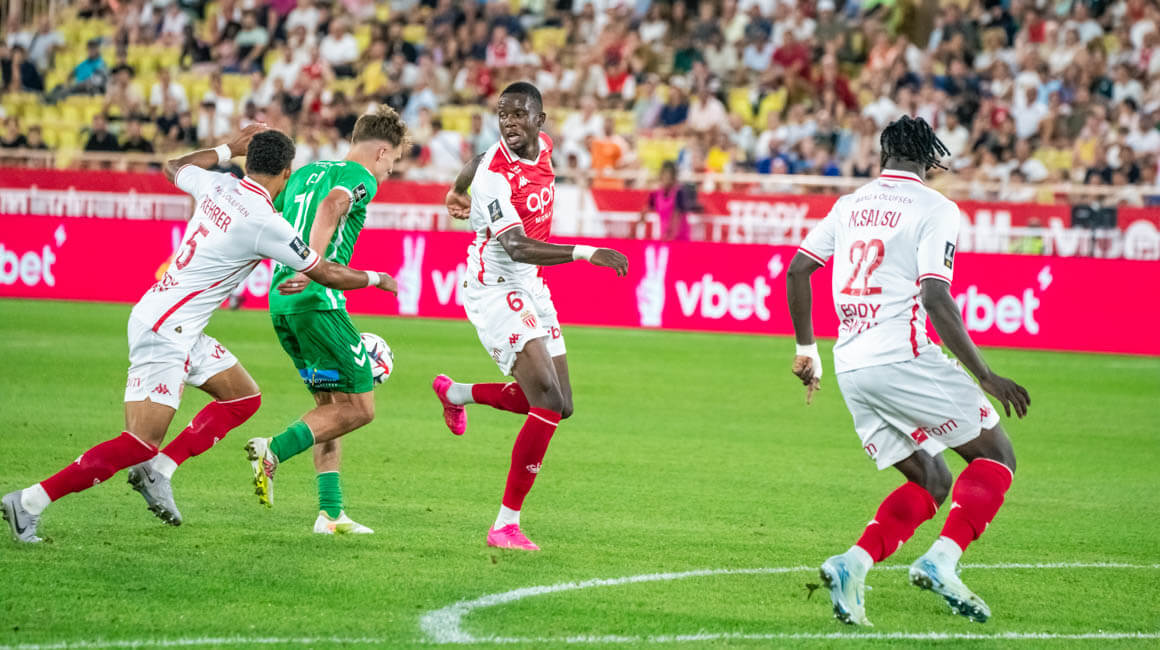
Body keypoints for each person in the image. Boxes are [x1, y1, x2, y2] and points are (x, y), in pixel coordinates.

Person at [1, 126, 399, 542]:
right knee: (139, 443)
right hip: (166, 331)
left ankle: (159, 471)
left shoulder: (217, 185)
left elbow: (174, 166)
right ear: (286, 172)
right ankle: (30, 501)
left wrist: (228, 148)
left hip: (173, 320)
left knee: (243, 398)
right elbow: (325, 272)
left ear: (248, 160)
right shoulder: (265, 222)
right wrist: (376, 278)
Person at [785, 116, 1031, 625]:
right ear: (929, 159)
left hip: (852, 366)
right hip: (903, 357)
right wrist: (985, 375)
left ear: (884, 155)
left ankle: (851, 565)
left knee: (932, 478)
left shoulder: (850, 204)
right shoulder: (935, 207)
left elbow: (798, 269)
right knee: (997, 456)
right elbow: (935, 296)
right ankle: (941, 561)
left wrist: (807, 350)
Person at [434, 83, 629, 551]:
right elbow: (517, 245)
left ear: (540, 121)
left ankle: (457, 393)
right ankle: (505, 525)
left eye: (519, 114)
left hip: (533, 285)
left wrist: (456, 189)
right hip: (496, 286)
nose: (509, 123)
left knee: (561, 405)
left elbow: (473, 160)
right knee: (546, 399)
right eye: (503, 115)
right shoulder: (495, 176)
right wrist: (585, 252)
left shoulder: (543, 148)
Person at [250, 106, 408, 535]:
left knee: (330, 409)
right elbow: (333, 204)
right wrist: (310, 265)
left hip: (282, 302)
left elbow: (266, 214)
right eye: (392, 162)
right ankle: (273, 450)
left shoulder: (305, 173)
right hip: (318, 299)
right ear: (380, 152)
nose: (389, 172)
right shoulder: (361, 177)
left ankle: (330, 514)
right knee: (359, 408)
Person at [637, 161, 695, 241]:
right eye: (664, 177)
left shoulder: (679, 192)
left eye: (669, 177)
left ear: (674, 178)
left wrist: (671, 235)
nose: (666, 180)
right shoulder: (656, 194)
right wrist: (641, 218)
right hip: (664, 235)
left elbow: (677, 216)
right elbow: (647, 207)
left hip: (680, 236)